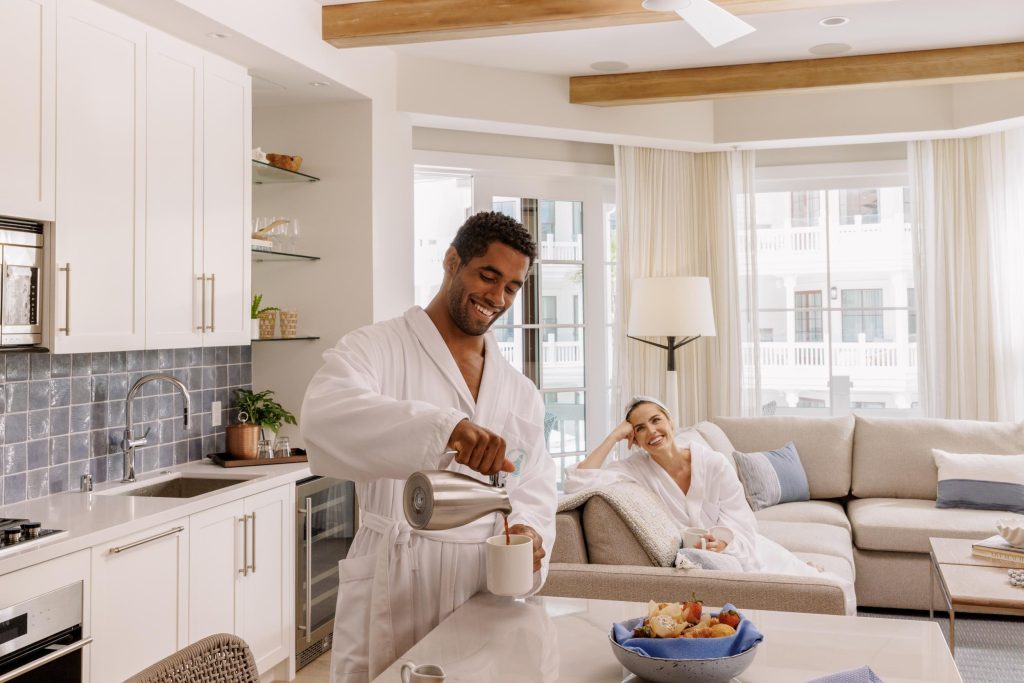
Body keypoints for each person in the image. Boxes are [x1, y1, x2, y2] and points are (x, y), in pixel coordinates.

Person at [301, 211, 557, 683]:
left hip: (483, 581)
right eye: (488, 276)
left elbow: (536, 481)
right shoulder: (376, 348)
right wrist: (446, 430)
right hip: (398, 573)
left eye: (512, 287)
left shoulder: (519, 390)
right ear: (452, 260)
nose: (497, 298)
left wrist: (533, 530)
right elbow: (322, 417)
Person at [564, 396, 856, 614]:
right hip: (697, 558)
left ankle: (804, 571)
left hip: (737, 547)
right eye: (639, 429)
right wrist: (613, 435)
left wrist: (724, 541)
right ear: (635, 440)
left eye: (656, 420)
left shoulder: (712, 463)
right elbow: (579, 481)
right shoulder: (635, 468)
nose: (651, 431)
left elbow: (742, 519)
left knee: (824, 588)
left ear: (670, 421)